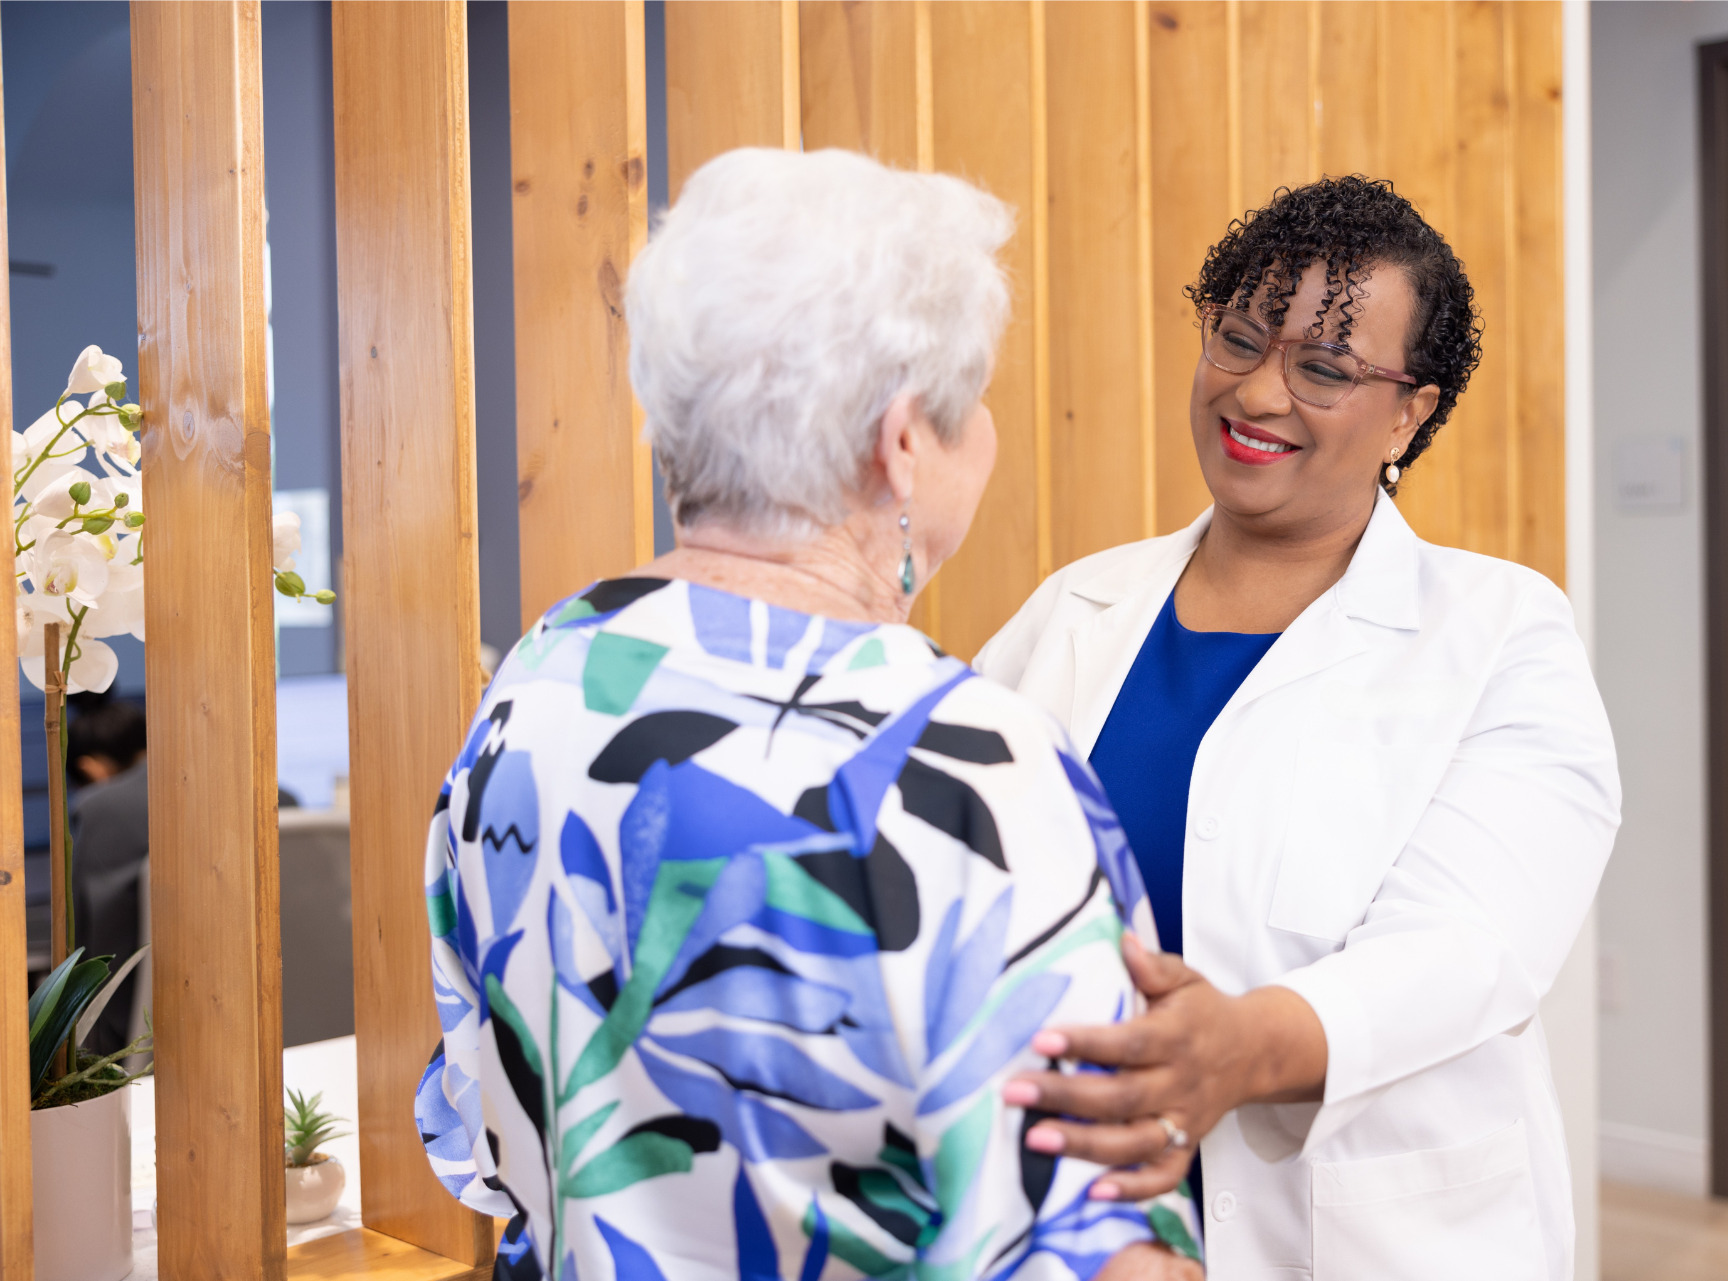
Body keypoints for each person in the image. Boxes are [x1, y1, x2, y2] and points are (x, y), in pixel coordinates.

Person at [414, 148, 1202, 1281]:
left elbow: (471, 1132)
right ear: (900, 442)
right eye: (969, 407)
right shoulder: (967, 763)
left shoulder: (536, 682)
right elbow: (1088, 1246)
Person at [975, 176, 1621, 1279]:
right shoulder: (1075, 610)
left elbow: (1473, 949)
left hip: (1375, 1237)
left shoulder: (1502, 633)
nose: (1259, 394)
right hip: (1090, 1230)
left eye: (1323, 368)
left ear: (1409, 412)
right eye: (1239, 338)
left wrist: (1243, 1046)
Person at [67, 697, 149, 1050]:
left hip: (140, 1043)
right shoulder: (280, 795)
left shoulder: (99, 810)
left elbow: (88, 946)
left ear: (92, 769)